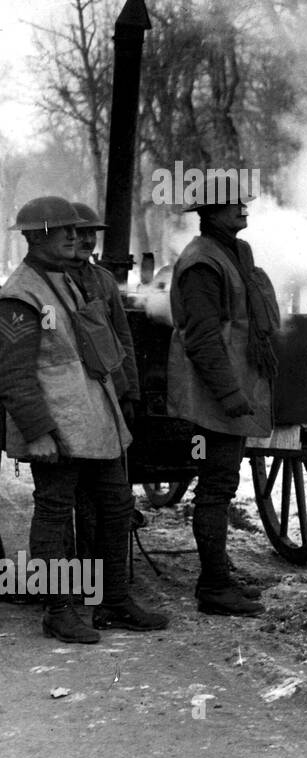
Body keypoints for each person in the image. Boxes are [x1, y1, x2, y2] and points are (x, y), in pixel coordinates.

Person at [0, 196, 167, 641]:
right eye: (66, 230)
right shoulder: (20, 295)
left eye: (78, 230)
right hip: (56, 427)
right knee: (54, 515)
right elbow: (14, 374)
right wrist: (37, 432)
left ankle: (113, 602)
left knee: (116, 507)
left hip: (97, 420)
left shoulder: (73, 282)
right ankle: (58, 611)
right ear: (38, 237)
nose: (77, 236)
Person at [168, 195, 279, 616]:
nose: (243, 209)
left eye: (243, 202)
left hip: (233, 383)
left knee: (221, 484)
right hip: (213, 390)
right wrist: (230, 394)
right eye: (232, 204)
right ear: (210, 214)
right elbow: (201, 337)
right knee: (216, 488)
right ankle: (213, 586)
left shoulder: (235, 252)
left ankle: (218, 578)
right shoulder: (202, 262)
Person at [67, 202, 142, 560]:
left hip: (106, 397)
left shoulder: (104, 281)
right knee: (70, 494)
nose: (85, 240)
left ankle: (96, 570)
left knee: (107, 493)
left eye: (90, 234)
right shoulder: (53, 282)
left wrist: (130, 393)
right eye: (78, 233)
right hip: (69, 398)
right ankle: (74, 571)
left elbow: (122, 339)